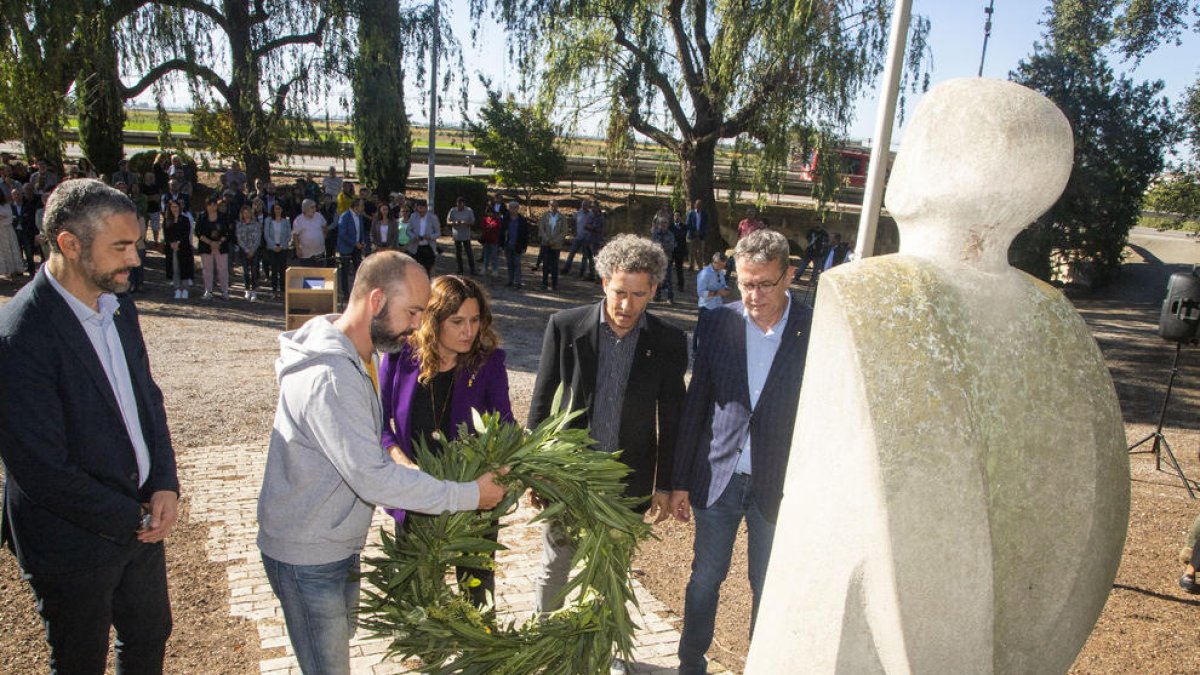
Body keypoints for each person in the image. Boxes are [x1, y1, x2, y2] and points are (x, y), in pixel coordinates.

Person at [257, 251, 508, 675]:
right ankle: (425, 652)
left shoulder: (355, 358)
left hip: (335, 543)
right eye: (413, 312)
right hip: (317, 546)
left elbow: (502, 427)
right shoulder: (338, 373)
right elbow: (373, 466)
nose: (416, 324)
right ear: (376, 301)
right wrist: (454, 487)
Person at [0, 179, 179, 674]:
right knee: (80, 660)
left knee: (148, 635)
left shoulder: (119, 306)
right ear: (69, 244)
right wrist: (133, 517)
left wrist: (163, 481)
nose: (136, 260)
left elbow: (148, 399)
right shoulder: (19, 336)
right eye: (120, 247)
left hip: (138, 520)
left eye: (136, 245)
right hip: (70, 539)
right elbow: (41, 470)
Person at [528, 234, 687, 671]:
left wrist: (667, 484)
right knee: (556, 563)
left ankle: (601, 653)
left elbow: (672, 417)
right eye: (620, 292)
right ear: (603, 283)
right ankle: (548, 647)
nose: (627, 305)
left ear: (654, 290)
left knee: (610, 575)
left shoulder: (670, 342)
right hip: (569, 480)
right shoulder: (565, 327)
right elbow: (541, 404)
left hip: (626, 485)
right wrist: (535, 471)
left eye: (639, 294)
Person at [669, 228, 811, 675]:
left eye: (764, 283)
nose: (753, 295)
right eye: (745, 283)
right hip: (719, 478)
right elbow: (696, 404)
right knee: (704, 581)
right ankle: (690, 663)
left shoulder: (814, 328)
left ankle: (763, 664)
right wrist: (679, 482)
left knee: (767, 585)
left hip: (779, 482)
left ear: (788, 275)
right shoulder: (716, 322)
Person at [378, 274, 514, 607]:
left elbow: (506, 427)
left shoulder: (488, 362)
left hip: (474, 500)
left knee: (477, 597)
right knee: (419, 598)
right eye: (457, 322)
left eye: (474, 320)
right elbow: (378, 425)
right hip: (417, 495)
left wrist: (505, 469)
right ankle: (428, 655)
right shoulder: (399, 358)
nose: (469, 331)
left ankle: (479, 656)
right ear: (432, 320)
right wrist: (401, 462)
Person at [195, 195, 232, 300]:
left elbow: (227, 232)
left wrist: (218, 243)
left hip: (221, 247)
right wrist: (210, 243)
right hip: (206, 247)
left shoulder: (223, 217)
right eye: (210, 205)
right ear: (206, 206)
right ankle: (208, 291)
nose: (212, 207)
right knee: (207, 269)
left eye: (214, 204)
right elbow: (198, 232)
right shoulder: (201, 217)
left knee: (223, 269)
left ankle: (225, 291)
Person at [336, 198, 369, 302]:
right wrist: (354, 243)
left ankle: (358, 292)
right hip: (346, 247)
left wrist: (362, 240)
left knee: (358, 269)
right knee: (345, 271)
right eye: (361, 206)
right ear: (356, 207)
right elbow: (342, 234)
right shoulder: (345, 216)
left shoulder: (359, 216)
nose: (363, 208)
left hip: (357, 248)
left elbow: (361, 230)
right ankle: (345, 293)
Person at [162, 198, 195, 299]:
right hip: (172, 249)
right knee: (174, 269)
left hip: (184, 248)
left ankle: (185, 289)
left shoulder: (185, 220)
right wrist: (172, 243)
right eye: (172, 207)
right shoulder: (167, 221)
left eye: (176, 207)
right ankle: (177, 289)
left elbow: (186, 233)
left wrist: (178, 243)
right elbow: (166, 235)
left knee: (184, 268)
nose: (174, 209)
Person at [537, 200, 568, 290]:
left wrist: (555, 241)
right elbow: (541, 228)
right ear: (548, 206)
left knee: (555, 265)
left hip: (556, 245)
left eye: (555, 206)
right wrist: (547, 239)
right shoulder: (544, 216)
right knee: (545, 264)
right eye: (551, 205)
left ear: (557, 206)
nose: (553, 207)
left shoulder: (562, 217)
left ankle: (554, 284)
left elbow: (564, 231)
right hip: (545, 244)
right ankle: (544, 284)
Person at [235, 203, 263, 301]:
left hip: (255, 250)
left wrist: (252, 250)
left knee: (254, 271)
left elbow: (258, 238)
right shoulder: (239, 224)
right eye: (244, 213)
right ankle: (247, 290)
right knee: (246, 271)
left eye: (248, 213)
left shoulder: (256, 224)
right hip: (244, 251)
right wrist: (246, 250)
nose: (246, 215)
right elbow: (239, 239)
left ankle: (254, 291)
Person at [406, 199, 441, 276]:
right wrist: (414, 237)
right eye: (418, 208)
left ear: (426, 208)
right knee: (416, 269)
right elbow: (408, 231)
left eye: (421, 208)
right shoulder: (413, 216)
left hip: (428, 247)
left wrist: (430, 237)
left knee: (427, 269)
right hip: (416, 247)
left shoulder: (433, 218)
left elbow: (438, 233)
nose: (420, 210)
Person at [264, 201, 291, 298]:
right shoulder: (268, 221)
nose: (278, 210)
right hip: (272, 248)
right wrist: (274, 246)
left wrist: (281, 246)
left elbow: (288, 235)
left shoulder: (286, 221)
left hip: (283, 248)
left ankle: (283, 290)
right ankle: (274, 290)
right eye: (276, 208)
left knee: (282, 270)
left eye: (279, 208)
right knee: (274, 270)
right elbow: (266, 235)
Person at [501, 200, 530, 289]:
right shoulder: (505, 219)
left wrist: (525, 246)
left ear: (517, 209)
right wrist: (501, 245)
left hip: (518, 245)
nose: (512, 210)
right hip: (507, 245)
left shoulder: (522, 220)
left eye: (514, 208)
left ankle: (518, 282)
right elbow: (501, 232)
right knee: (509, 264)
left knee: (517, 264)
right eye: (510, 208)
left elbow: (526, 234)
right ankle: (510, 280)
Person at [292, 198, 328, 267]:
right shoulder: (298, 220)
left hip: (320, 252)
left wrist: (324, 236)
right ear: (305, 209)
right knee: (308, 275)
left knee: (320, 274)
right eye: (312, 207)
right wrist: (297, 249)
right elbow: (295, 235)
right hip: (306, 255)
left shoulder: (319, 216)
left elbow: (325, 225)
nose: (314, 209)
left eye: (315, 207)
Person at [650, 213, 677, 304]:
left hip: (667, 259)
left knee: (668, 279)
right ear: (658, 224)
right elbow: (653, 245)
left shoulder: (671, 235)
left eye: (665, 223)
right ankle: (657, 295)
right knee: (656, 278)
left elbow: (671, 246)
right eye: (661, 223)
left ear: (668, 224)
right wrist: (662, 246)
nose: (663, 224)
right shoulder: (655, 234)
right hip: (657, 260)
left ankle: (670, 297)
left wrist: (661, 246)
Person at [560, 199, 592, 276]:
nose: (585, 206)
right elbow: (572, 221)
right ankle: (566, 269)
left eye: (586, 205)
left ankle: (581, 272)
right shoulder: (578, 213)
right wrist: (573, 231)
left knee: (584, 257)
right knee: (571, 254)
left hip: (586, 238)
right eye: (583, 205)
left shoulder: (591, 215)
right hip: (577, 237)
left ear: (589, 206)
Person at [447, 196, 477, 275]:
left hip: (466, 235)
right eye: (458, 205)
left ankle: (472, 270)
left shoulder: (469, 210)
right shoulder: (452, 210)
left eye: (461, 205)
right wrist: (454, 223)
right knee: (458, 253)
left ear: (464, 204)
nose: (460, 206)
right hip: (457, 235)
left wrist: (466, 223)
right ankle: (460, 269)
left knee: (469, 252)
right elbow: (448, 221)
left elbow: (473, 222)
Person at [0, 186, 24, 279]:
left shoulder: (6, 205)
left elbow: (9, 217)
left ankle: (13, 272)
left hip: (7, 231)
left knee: (9, 251)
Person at [669, 210, 689, 291]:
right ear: (673, 217)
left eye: (678, 216)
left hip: (680, 251)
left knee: (679, 269)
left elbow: (682, 236)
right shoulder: (670, 226)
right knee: (668, 269)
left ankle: (681, 285)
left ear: (680, 217)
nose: (676, 217)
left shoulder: (684, 227)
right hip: (671, 251)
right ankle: (666, 285)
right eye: (675, 216)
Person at [479, 207, 501, 279]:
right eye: (488, 212)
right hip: (486, 240)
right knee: (486, 255)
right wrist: (489, 227)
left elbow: (496, 227)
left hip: (494, 241)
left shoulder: (497, 219)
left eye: (491, 212)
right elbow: (482, 227)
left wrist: (490, 226)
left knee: (494, 256)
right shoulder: (484, 220)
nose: (490, 213)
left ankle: (495, 270)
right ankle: (484, 268)